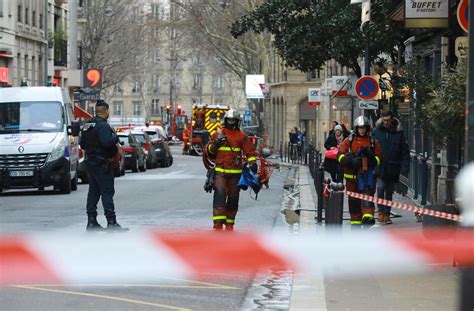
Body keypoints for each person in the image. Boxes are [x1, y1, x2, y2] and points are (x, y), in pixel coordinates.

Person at [206, 109, 258, 231]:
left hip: (235, 174)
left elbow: (249, 152)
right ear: (225, 120)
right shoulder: (218, 134)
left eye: (233, 120)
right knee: (219, 197)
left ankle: (230, 224)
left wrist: (252, 163)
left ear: (237, 121)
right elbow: (209, 152)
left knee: (233, 199)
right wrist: (215, 144)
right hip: (220, 172)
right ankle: (218, 224)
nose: (231, 122)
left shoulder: (242, 136)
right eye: (229, 119)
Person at [80, 100, 128, 231]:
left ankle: (91, 221)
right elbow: (107, 143)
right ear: (106, 111)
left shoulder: (87, 125)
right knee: (107, 192)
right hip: (102, 163)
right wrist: (116, 138)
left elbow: (82, 144)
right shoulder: (103, 126)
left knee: (93, 192)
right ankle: (111, 222)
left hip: (90, 162)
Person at [338, 116, 382, 228]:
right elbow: (340, 155)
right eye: (360, 128)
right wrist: (351, 160)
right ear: (356, 128)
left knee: (367, 198)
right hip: (352, 179)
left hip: (367, 178)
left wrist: (372, 161)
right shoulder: (349, 141)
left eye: (364, 128)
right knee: (354, 202)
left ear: (367, 128)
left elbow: (380, 157)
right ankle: (355, 224)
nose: (362, 130)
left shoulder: (373, 141)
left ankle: (367, 219)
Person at [372, 111, 410, 225]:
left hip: (393, 167)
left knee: (389, 192)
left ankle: (387, 214)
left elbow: (404, 152)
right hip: (380, 167)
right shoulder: (376, 131)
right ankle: (380, 212)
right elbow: (371, 149)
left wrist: (404, 167)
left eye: (388, 120)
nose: (386, 122)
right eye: (384, 120)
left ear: (392, 119)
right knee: (380, 188)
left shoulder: (399, 133)